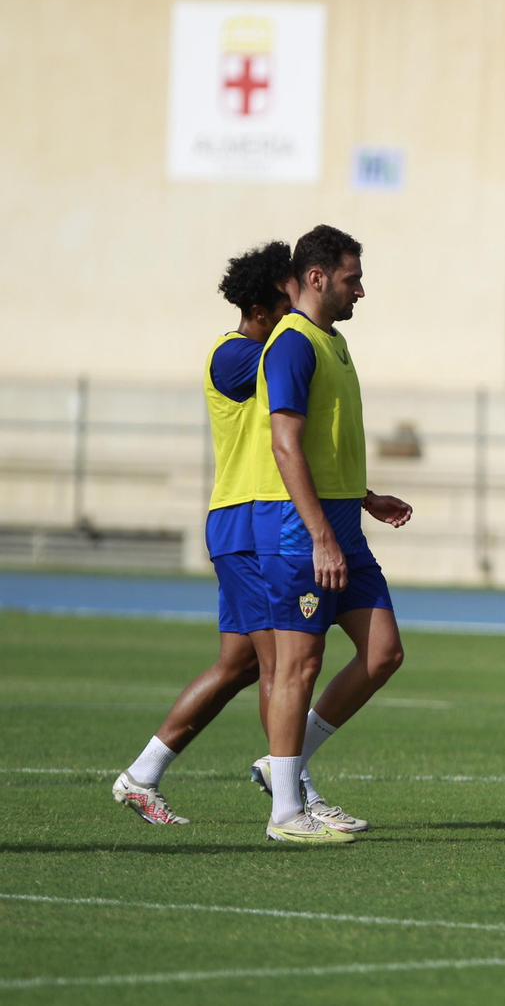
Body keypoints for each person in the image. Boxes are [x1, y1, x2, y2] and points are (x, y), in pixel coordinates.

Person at [112, 242, 293, 824]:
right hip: (244, 520)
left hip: (248, 520)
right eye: (289, 300)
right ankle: (295, 792)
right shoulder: (237, 356)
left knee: (238, 666)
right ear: (263, 309)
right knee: (278, 663)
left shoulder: (266, 349)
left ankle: (141, 776)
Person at [252, 225, 415, 844]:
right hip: (302, 535)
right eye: (352, 278)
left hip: (343, 526)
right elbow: (285, 444)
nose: (362, 290)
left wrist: (365, 498)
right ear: (316, 277)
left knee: (384, 653)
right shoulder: (292, 343)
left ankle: (283, 770)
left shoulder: (332, 341)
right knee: (300, 665)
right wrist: (321, 535)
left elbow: (323, 440)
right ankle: (286, 813)